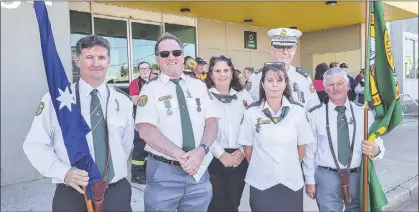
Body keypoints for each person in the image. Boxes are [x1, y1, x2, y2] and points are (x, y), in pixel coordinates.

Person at [23, 35, 134, 211]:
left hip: (115, 191)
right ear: (77, 60)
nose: (96, 63)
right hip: (73, 192)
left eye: (101, 57)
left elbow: (126, 144)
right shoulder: (56, 100)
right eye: (89, 57)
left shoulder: (123, 101)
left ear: (109, 61)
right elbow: (34, 145)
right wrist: (63, 172)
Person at [135, 32, 220, 211]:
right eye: (164, 54)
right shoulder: (150, 89)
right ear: (158, 59)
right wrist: (181, 156)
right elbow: (146, 130)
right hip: (164, 171)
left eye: (176, 53)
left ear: (183, 56)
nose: (171, 57)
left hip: (199, 168)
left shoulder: (199, 86)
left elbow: (212, 123)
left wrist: (201, 152)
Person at [303, 67, 386, 211]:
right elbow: (310, 151)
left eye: (340, 83)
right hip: (326, 176)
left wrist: (376, 149)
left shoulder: (364, 113)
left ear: (348, 86)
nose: (335, 88)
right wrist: (310, 180)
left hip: (357, 176)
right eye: (331, 84)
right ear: (325, 88)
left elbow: (378, 144)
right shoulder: (315, 115)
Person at [238, 62, 314, 211]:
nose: (274, 85)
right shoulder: (252, 112)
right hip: (261, 181)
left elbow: (302, 145)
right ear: (262, 84)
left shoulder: (297, 111)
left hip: (290, 181)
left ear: (286, 84)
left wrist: (290, 165)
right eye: (270, 80)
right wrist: (263, 166)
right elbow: (248, 147)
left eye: (279, 80)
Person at [204, 55, 254, 212]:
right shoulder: (204, 97)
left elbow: (252, 126)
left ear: (232, 73)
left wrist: (241, 151)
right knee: (216, 205)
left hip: (239, 159)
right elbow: (200, 129)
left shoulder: (244, 97)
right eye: (217, 70)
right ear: (211, 74)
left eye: (226, 70)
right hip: (212, 158)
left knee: (233, 204)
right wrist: (220, 154)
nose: (222, 74)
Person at [248, 28, 320, 112]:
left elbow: (314, 110)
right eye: (280, 48)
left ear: (295, 50)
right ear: (271, 50)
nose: (285, 52)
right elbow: (248, 109)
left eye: (290, 48)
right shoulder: (256, 77)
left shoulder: (304, 78)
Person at [128, 61, 151, 184]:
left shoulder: (154, 81)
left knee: (151, 147)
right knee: (140, 147)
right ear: (139, 70)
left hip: (153, 118)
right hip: (141, 118)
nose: (145, 70)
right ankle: (136, 175)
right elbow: (136, 101)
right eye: (142, 68)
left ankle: (146, 173)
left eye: (146, 68)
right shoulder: (134, 83)